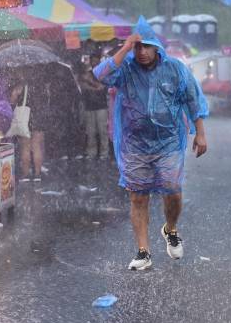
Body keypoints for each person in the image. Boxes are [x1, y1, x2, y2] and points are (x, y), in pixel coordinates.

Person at [94, 16, 209, 271]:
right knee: (138, 197)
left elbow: (193, 99)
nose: (142, 52)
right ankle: (143, 251)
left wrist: (200, 132)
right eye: (138, 47)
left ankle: (170, 228)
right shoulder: (126, 69)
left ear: (157, 47)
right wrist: (124, 48)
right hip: (135, 145)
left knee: (172, 190)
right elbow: (100, 75)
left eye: (146, 46)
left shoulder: (175, 69)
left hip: (168, 142)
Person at [17, 79, 53, 183]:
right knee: (37, 146)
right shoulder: (43, 85)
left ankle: (26, 174)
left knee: (26, 147)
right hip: (39, 118)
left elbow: (13, 98)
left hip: (26, 118)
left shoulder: (22, 85)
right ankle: (37, 174)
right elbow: (47, 99)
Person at [78, 57, 110, 160]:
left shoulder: (104, 74)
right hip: (89, 106)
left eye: (96, 61)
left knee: (102, 131)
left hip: (101, 106)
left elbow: (102, 87)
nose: (94, 63)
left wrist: (90, 82)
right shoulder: (87, 74)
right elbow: (83, 86)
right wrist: (92, 85)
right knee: (90, 131)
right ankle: (91, 152)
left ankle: (104, 153)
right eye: (93, 61)